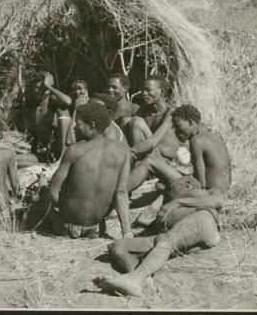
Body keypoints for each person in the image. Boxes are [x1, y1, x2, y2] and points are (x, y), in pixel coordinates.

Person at [93, 104, 231, 297]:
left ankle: (135, 279)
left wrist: (176, 202)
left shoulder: (198, 142)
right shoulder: (212, 138)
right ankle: (143, 280)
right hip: (181, 219)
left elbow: (213, 196)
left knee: (166, 240)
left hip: (205, 217)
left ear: (191, 123)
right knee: (118, 247)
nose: (175, 131)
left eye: (178, 126)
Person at [48, 101, 132, 239]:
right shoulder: (122, 152)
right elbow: (121, 193)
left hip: (67, 228)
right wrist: (127, 232)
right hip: (95, 229)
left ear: (92, 125)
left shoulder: (75, 151)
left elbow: (52, 194)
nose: (74, 128)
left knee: (42, 193)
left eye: (78, 124)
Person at [11, 72, 70, 165]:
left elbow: (68, 101)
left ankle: (61, 158)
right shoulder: (29, 102)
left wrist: (48, 86)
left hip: (57, 151)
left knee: (63, 112)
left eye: (44, 89)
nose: (40, 91)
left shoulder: (52, 101)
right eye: (37, 88)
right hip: (43, 152)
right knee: (11, 159)